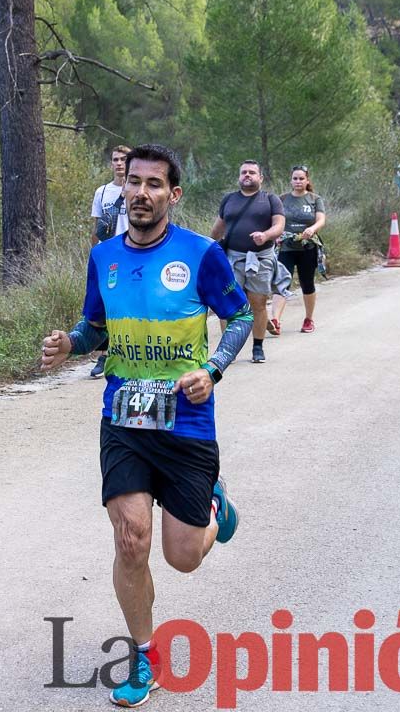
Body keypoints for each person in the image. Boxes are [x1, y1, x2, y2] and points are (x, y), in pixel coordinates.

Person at [40, 144, 252, 708]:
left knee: (183, 557)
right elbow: (94, 329)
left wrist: (212, 368)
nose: (141, 193)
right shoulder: (103, 256)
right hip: (124, 419)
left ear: (172, 195)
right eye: (134, 182)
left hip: (186, 422)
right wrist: (70, 343)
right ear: (122, 187)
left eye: (154, 184)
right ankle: (144, 656)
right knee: (131, 541)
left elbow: (241, 316)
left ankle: (213, 503)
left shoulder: (202, 254)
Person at [211, 160, 285, 364]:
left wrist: (266, 235)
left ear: (260, 177)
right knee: (228, 303)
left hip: (261, 258)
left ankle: (258, 347)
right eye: (244, 172)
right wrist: (208, 248)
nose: (247, 175)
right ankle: (227, 350)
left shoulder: (271, 200)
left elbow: (279, 226)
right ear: (239, 176)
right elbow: (218, 228)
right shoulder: (229, 200)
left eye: (252, 172)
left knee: (258, 303)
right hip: (231, 258)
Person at [89, 145, 132, 378]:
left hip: (130, 254)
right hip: (108, 256)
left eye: (124, 159)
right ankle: (102, 354)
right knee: (104, 305)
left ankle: (120, 350)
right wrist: (95, 253)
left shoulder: (137, 189)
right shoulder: (102, 192)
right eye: (115, 159)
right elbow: (96, 228)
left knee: (124, 305)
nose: (119, 163)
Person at [270, 165, 326, 334]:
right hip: (286, 247)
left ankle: (308, 319)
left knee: (307, 283)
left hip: (307, 247)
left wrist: (313, 229)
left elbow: (321, 219)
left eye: (301, 178)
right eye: (295, 178)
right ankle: (275, 321)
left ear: (307, 180)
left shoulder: (315, 199)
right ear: (291, 180)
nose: (298, 181)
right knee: (281, 282)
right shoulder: (282, 199)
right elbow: (275, 219)